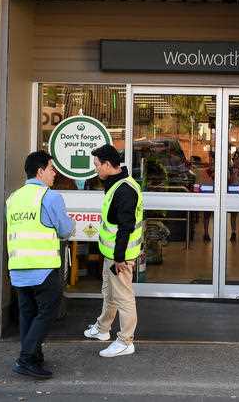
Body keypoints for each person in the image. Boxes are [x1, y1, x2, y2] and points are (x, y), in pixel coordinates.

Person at [6, 151, 73, 379]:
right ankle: (25, 358)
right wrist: (69, 221)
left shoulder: (13, 198)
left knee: (28, 314)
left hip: (18, 269)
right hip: (43, 268)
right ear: (40, 171)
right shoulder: (50, 197)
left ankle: (33, 356)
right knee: (47, 313)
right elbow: (65, 230)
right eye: (52, 168)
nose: (55, 173)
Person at [83, 144, 144, 358]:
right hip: (112, 255)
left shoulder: (124, 190)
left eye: (97, 165)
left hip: (121, 257)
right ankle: (102, 329)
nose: (96, 169)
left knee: (124, 298)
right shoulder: (116, 184)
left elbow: (126, 227)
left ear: (108, 165)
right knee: (109, 294)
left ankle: (126, 341)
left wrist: (119, 257)